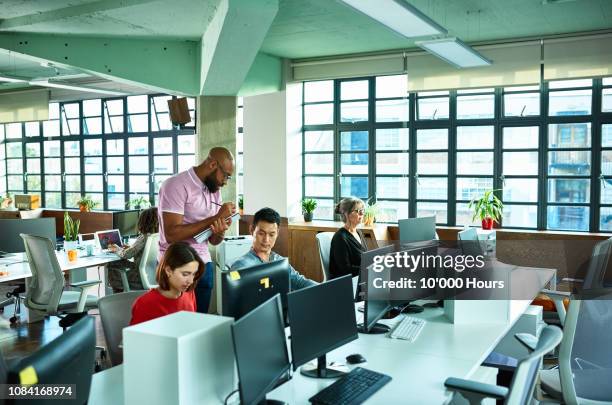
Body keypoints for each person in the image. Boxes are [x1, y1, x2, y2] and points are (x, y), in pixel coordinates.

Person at [157, 147, 236, 313]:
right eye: (226, 175)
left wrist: (220, 229)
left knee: (199, 321)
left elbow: (213, 241)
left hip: (204, 264)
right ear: (213, 164)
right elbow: (171, 234)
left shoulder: (214, 190)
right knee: (178, 322)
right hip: (177, 265)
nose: (226, 181)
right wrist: (214, 218)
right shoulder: (175, 185)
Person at [231, 207, 316, 290]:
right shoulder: (241, 266)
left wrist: (323, 289)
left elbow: (299, 281)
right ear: (252, 230)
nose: (266, 240)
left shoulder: (279, 261)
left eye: (271, 235)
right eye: (261, 233)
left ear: (277, 234)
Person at [130, 242, 205, 325]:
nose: (191, 281)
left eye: (194, 274)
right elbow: (136, 337)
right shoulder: (144, 304)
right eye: (185, 274)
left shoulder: (189, 293)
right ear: (168, 270)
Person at [107, 207, 159, 293]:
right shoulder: (158, 236)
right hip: (152, 275)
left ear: (143, 221)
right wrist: (129, 247)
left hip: (138, 277)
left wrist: (116, 249)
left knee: (112, 264)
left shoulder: (144, 237)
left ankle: (117, 296)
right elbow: (139, 250)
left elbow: (126, 255)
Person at [329, 197, 368, 279]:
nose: (361, 214)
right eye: (358, 211)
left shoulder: (359, 232)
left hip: (360, 278)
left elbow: (365, 258)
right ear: (346, 214)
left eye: (362, 210)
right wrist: (368, 270)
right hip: (347, 283)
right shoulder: (340, 238)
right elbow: (345, 270)